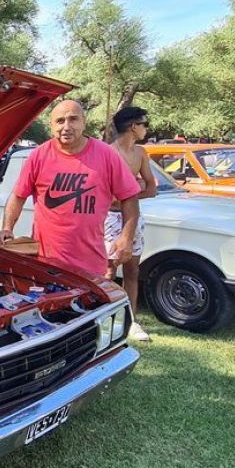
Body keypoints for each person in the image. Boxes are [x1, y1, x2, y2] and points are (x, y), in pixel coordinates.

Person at [0, 100, 142, 287]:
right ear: (51, 126)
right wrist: (7, 228)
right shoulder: (38, 156)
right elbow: (18, 195)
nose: (66, 127)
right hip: (44, 263)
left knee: (86, 315)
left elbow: (129, 197)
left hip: (90, 265)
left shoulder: (106, 155)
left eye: (73, 119)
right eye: (60, 121)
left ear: (84, 122)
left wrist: (126, 238)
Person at [106, 106, 158, 341]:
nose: (146, 128)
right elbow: (106, 195)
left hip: (134, 215)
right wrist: (130, 192)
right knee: (108, 270)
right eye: (144, 123)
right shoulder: (108, 152)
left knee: (132, 269)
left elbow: (152, 188)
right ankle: (104, 319)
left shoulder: (141, 153)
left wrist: (127, 196)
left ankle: (132, 321)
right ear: (132, 126)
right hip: (109, 218)